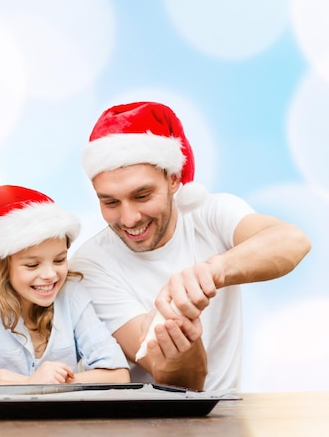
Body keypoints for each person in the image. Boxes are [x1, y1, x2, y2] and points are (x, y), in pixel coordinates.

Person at [70, 101, 311, 393]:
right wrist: (183, 343)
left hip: (226, 416)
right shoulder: (91, 265)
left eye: (143, 195)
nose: (129, 218)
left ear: (173, 179)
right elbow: (174, 382)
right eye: (110, 202)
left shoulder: (211, 214)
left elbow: (293, 240)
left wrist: (213, 271)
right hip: (142, 422)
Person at [0, 185, 130, 400]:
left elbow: (119, 375)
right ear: (2, 266)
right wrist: (30, 384)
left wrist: (36, 385)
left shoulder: (72, 295)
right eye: (32, 265)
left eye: (59, 260)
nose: (50, 274)